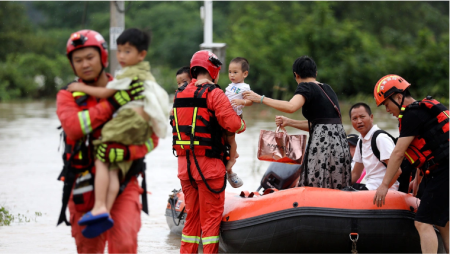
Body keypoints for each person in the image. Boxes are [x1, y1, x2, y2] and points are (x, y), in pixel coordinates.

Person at [56, 29, 159, 253]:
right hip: (83, 185)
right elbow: (74, 128)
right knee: (88, 249)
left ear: (102, 57)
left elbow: (152, 138)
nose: (84, 64)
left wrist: (126, 154)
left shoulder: (129, 86)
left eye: (90, 57)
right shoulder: (68, 95)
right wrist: (112, 104)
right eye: (78, 60)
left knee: (124, 244)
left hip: (124, 180)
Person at [172, 50, 246, 253]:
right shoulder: (214, 93)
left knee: (192, 219)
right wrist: (242, 124)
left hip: (185, 167)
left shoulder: (179, 94)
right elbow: (232, 125)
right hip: (209, 167)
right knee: (211, 221)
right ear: (214, 70)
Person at [243, 56, 351, 189]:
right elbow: (320, 125)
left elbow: (291, 107)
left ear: (296, 75)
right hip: (339, 142)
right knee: (336, 186)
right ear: (315, 73)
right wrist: (289, 122)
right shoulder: (327, 89)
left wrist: (260, 98)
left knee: (315, 186)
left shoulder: (305, 87)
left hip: (323, 144)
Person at [372, 74, 449, 253]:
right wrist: (418, 177)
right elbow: (430, 147)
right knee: (444, 224)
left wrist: (384, 185)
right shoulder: (422, 110)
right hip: (440, 170)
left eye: (386, 104)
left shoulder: (411, 115)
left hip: (443, 172)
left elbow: (398, 153)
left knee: (422, 222)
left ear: (398, 97)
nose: (387, 110)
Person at [349, 102, 401, 191]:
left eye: (362, 117)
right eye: (355, 118)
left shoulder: (380, 138)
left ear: (371, 117)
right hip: (370, 187)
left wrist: (383, 188)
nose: (359, 121)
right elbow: (355, 173)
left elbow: (397, 171)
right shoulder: (361, 141)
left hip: (386, 190)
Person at [221, 57, 253, 188]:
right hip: (226, 115)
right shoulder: (230, 86)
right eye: (230, 72)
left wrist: (242, 102)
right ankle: (233, 153)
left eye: (235, 72)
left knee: (230, 138)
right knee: (224, 138)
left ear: (245, 74)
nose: (231, 75)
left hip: (235, 116)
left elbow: (250, 101)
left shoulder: (245, 87)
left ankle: (232, 159)